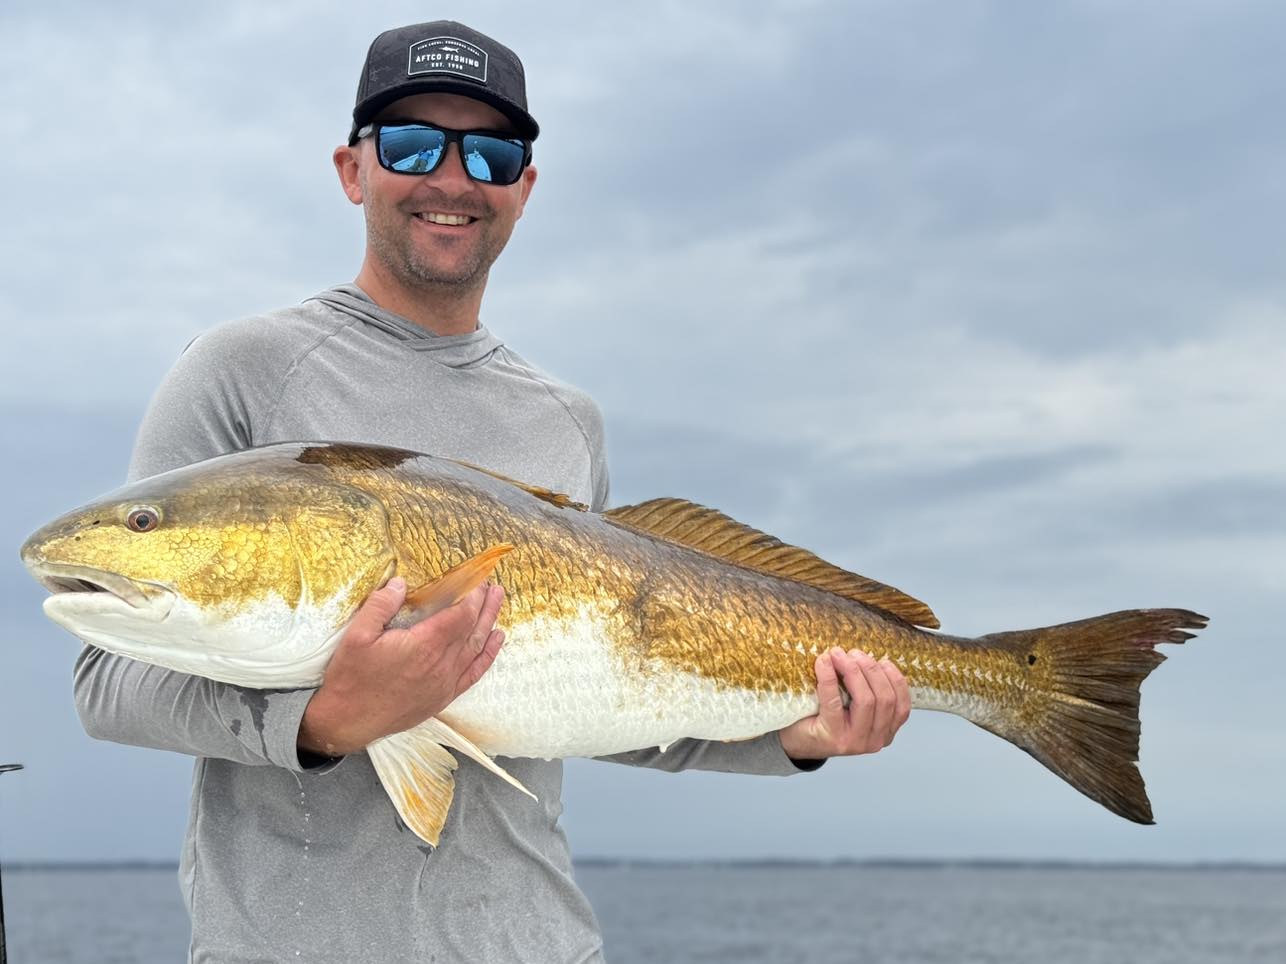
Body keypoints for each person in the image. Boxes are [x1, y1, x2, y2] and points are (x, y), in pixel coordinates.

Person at [73, 20, 911, 963]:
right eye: (412, 144)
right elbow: (109, 685)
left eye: (494, 152)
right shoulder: (240, 370)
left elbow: (614, 705)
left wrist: (798, 736)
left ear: (524, 189)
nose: (453, 178)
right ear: (353, 170)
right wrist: (324, 722)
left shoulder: (566, 420)